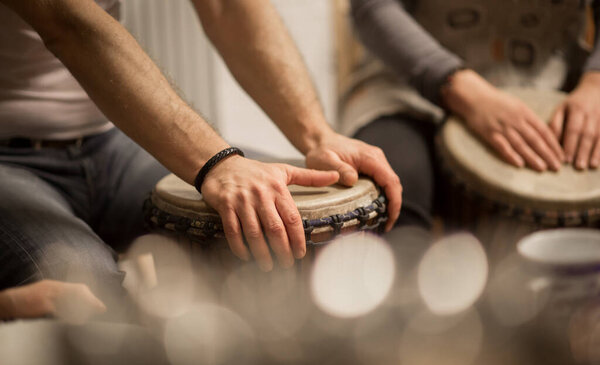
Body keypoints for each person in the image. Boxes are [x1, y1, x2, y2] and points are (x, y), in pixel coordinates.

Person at [0, 0, 402, 303]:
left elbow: (226, 6)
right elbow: (70, 25)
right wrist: (218, 163)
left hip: (110, 143)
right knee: (88, 303)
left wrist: (317, 135)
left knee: (281, 222)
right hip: (8, 162)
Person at [342, 0, 600, 230]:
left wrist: (596, 81)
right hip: (405, 86)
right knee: (392, 195)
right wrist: (457, 85)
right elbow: (372, 7)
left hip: (558, 90)